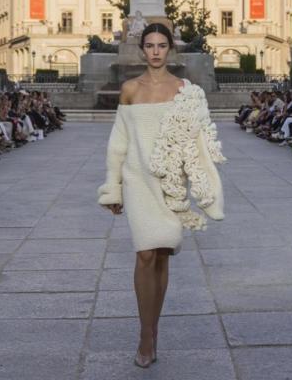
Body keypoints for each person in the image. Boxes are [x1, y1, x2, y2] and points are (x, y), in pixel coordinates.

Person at [99, 23, 225, 369]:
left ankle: (154, 328)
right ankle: (145, 334)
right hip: (138, 180)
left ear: (171, 49)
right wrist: (114, 187)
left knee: (163, 254)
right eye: (150, 45)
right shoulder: (129, 90)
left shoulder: (186, 90)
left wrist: (203, 186)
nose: (155, 51)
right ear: (142, 50)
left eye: (161, 45)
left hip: (171, 183)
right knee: (144, 255)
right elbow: (118, 142)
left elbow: (198, 140)